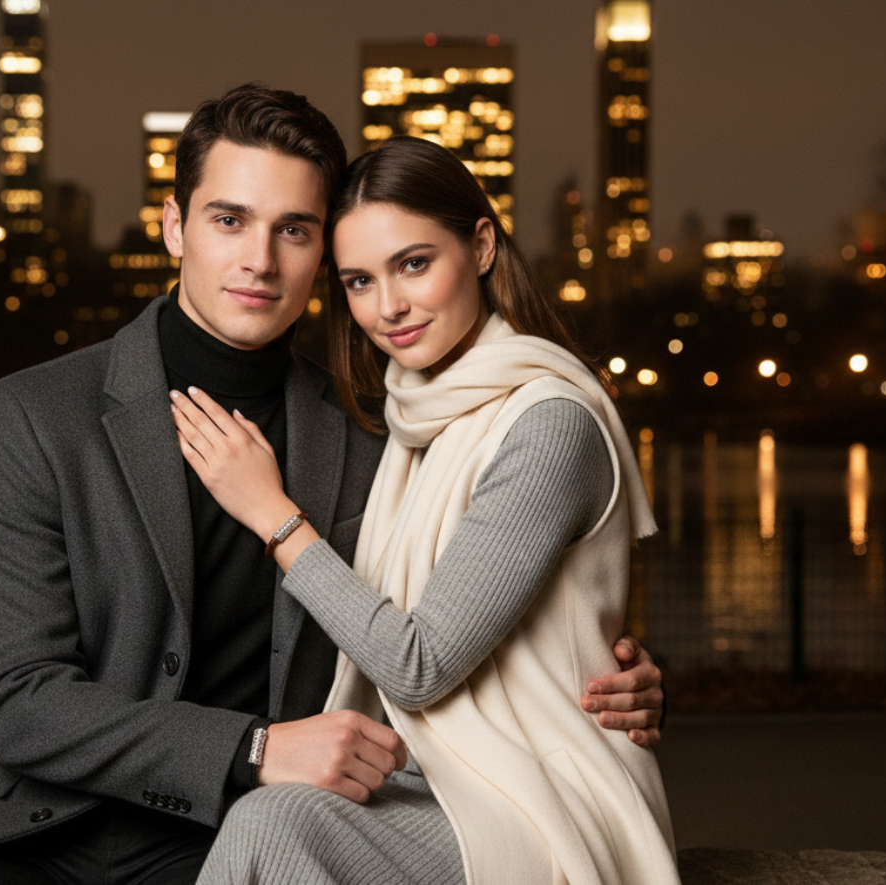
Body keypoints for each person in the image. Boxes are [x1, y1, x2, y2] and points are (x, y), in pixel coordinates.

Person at [0, 85, 664, 885]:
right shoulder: (30, 415)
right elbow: (19, 701)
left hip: (221, 833)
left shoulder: (379, 432)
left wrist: (603, 676)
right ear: (175, 227)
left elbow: (456, 612)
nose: (259, 260)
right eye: (229, 219)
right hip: (23, 824)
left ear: (324, 251)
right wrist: (255, 747)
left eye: (295, 230)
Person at [171, 135, 678, 885]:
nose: (390, 307)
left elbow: (418, 665)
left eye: (414, 263)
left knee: (274, 827)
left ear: (479, 246)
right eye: (359, 280)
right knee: (275, 819)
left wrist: (274, 515)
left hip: (537, 796)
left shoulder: (550, 422)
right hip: (432, 780)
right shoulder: (410, 419)